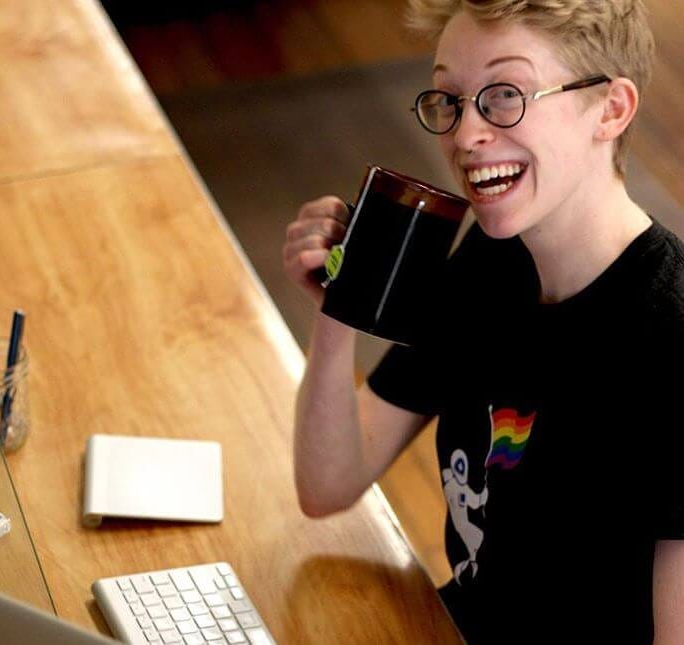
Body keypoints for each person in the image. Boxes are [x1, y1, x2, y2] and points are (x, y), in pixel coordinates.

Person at [282, 0, 684, 642]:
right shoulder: (488, 263)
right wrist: (339, 309)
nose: (465, 135)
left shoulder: (670, 337)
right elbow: (328, 483)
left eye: (505, 95)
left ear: (611, 109)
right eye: (450, 99)